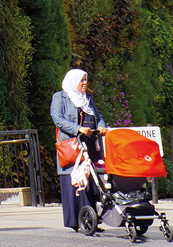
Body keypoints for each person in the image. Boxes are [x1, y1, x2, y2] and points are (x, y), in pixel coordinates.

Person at [51, 68, 108, 231]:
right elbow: (58, 119)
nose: (85, 83)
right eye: (81, 80)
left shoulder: (87, 99)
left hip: (89, 145)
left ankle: (91, 221)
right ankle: (76, 221)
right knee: (75, 181)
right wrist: (78, 129)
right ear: (73, 81)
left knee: (91, 182)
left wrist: (102, 127)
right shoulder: (60, 97)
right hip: (73, 145)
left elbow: (99, 117)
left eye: (86, 80)